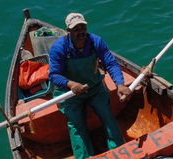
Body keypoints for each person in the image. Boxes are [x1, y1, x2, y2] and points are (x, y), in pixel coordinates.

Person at [49, 13, 131, 159]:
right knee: (76, 126)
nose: (81, 32)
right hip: (70, 93)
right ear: (68, 31)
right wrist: (71, 84)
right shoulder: (58, 48)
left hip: (94, 87)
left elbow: (110, 63)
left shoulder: (95, 41)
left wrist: (120, 84)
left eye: (83, 27)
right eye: (76, 29)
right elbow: (54, 75)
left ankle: (120, 152)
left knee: (107, 115)